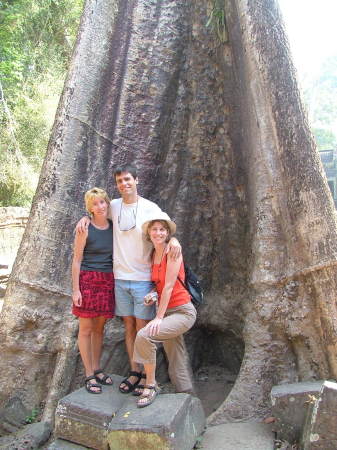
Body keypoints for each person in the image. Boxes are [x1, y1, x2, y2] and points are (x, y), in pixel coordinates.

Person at [76, 164, 181, 394]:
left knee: (143, 328)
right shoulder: (113, 205)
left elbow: (166, 229)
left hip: (143, 278)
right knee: (129, 326)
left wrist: (173, 241)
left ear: (136, 180)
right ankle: (134, 371)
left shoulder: (150, 208)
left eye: (128, 180)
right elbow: (97, 211)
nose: (124, 184)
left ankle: (146, 374)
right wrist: (84, 218)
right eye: (120, 181)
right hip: (119, 279)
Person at [133, 212, 196, 407]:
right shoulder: (153, 254)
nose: (158, 233)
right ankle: (187, 395)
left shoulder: (172, 250)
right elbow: (160, 286)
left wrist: (158, 318)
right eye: (155, 229)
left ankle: (150, 384)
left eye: (162, 229)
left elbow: (169, 286)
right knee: (175, 355)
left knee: (145, 335)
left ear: (168, 233)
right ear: (149, 233)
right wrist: (153, 294)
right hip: (166, 310)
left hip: (182, 311)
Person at [72, 187, 115, 394]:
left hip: (107, 281)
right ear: (89, 208)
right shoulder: (85, 228)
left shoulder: (114, 227)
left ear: (107, 203)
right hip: (88, 281)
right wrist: (75, 290)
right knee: (86, 329)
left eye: (102, 202)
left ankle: (97, 368)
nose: (100, 206)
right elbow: (77, 259)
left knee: (99, 329)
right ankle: (89, 374)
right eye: (94, 204)